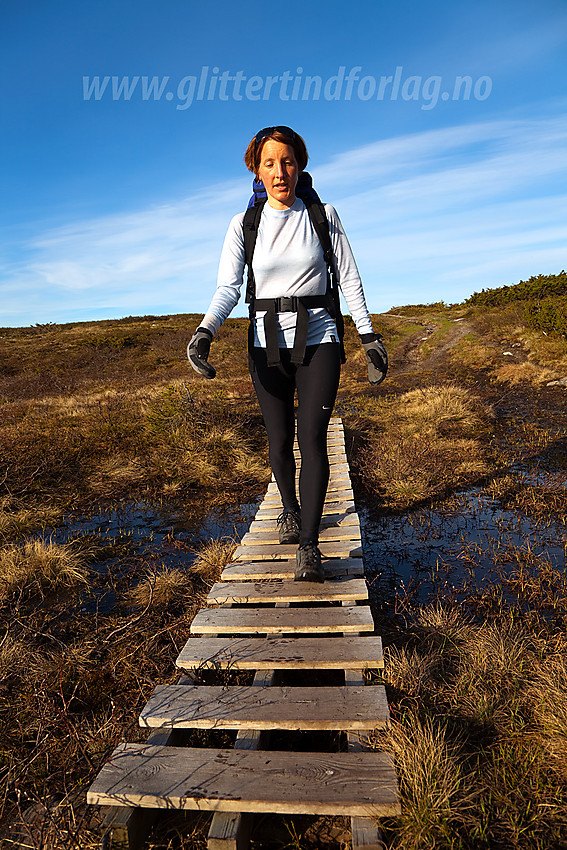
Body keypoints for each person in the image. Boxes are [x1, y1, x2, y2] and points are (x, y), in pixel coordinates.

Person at [187, 126, 387, 582]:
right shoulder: (244, 225)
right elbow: (228, 288)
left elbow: (350, 279)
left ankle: (310, 548)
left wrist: (369, 336)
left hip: (320, 342)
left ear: (301, 165)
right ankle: (290, 512)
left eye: (289, 161)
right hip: (264, 346)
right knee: (279, 441)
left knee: (312, 437)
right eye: (270, 163)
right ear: (256, 169)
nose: (281, 172)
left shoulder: (324, 215)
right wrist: (205, 332)